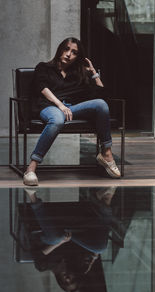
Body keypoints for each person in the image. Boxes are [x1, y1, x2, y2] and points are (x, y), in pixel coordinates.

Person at [23, 37, 121, 186]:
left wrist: (94, 72)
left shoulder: (77, 76)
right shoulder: (44, 67)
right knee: (57, 119)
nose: (69, 54)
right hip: (48, 107)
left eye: (74, 52)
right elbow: (42, 87)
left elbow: (103, 94)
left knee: (101, 104)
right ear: (60, 50)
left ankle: (106, 154)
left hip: (69, 108)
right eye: (66, 49)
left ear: (78, 57)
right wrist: (60, 106)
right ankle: (31, 168)